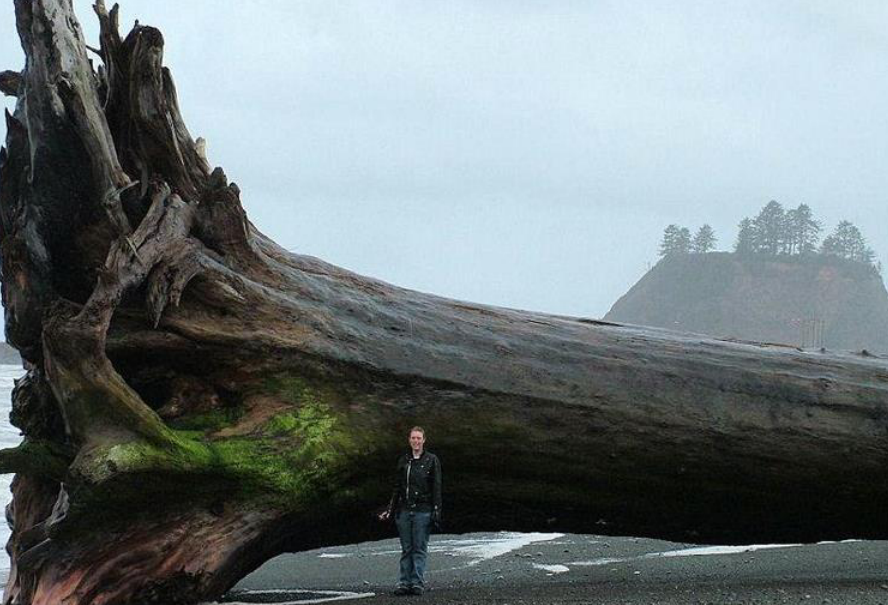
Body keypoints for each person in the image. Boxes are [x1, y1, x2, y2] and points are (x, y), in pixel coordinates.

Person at [378, 426, 442, 596]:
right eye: (413, 438)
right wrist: (390, 509)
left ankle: (417, 583)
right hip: (404, 511)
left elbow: (436, 487)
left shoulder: (431, 460)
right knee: (407, 548)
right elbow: (397, 487)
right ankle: (404, 582)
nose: (416, 441)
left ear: (424, 440)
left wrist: (436, 511)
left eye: (418, 438)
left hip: (423, 510)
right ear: (409, 440)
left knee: (419, 547)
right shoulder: (404, 460)